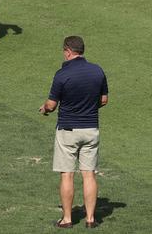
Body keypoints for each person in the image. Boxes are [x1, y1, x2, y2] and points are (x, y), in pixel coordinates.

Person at [39, 36, 108, 229]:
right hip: (91, 129)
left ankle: (67, 219)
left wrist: (44, 109)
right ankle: (90, 219)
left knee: (67, 175)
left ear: (68, 51)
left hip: (68, 130)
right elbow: (103, 100)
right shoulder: (97, 71)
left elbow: (52, 105)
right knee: (89, 174)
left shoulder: (62, 74)